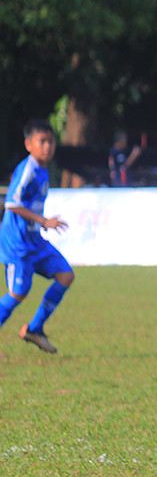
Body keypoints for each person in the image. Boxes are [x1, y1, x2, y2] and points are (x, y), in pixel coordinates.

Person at [1, 119, 74, 353]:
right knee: (17, 293)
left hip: (35, 241)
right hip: (18, 244)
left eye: (51, 141)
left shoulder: (43, 169)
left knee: (65, 275)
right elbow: (12, 203)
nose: (47, 147)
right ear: (28, 144)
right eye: (42, 141)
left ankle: (34, 329)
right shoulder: (29, 169)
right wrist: (44, 221)